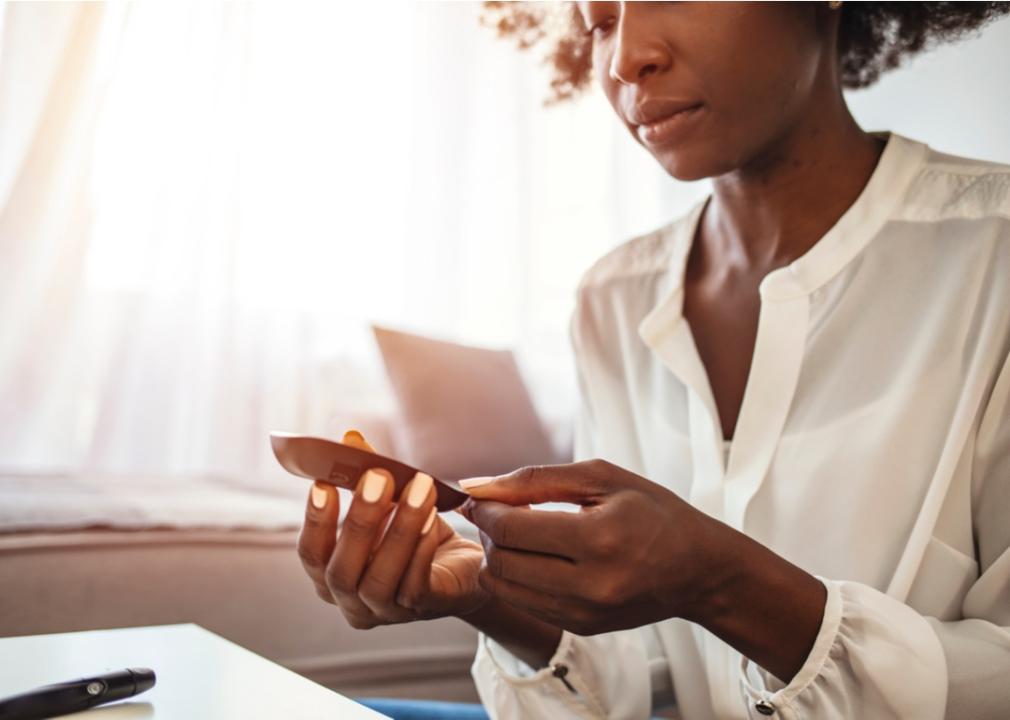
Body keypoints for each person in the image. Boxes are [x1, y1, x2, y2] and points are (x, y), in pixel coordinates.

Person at [296, 3, 1010, 718]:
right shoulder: (614, 301)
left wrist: (721, 581)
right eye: (600, 21)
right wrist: (487, 597)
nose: (623, 58)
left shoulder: (994, 258)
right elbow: (630, 685)